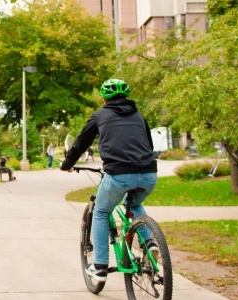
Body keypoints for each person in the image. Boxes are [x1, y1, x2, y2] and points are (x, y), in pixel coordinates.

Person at [59, 78, 158, 282]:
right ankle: (150, 244)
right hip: (149, 174)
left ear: (104, 98)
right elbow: (148, 145)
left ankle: (100, 266)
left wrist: (67, 164)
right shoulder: (139, 116)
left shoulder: (100, 115)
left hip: (119, 174)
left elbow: (81, 143)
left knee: (102, 211)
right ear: (126, 97)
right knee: (135, 204)